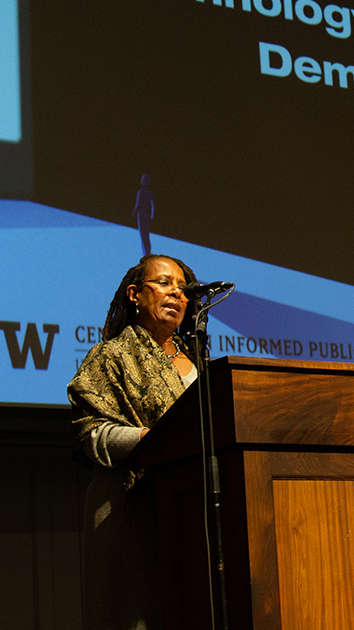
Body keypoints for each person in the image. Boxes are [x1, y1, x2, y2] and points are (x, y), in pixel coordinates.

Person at [68, 253, 199, 630]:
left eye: (182, 287)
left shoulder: (200, 364)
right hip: (127, 512)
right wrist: (150, 439)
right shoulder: (110, 357)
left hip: (189, 511)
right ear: (134, 294)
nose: (175, 292)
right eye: (163, 283)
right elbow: (91, 434)